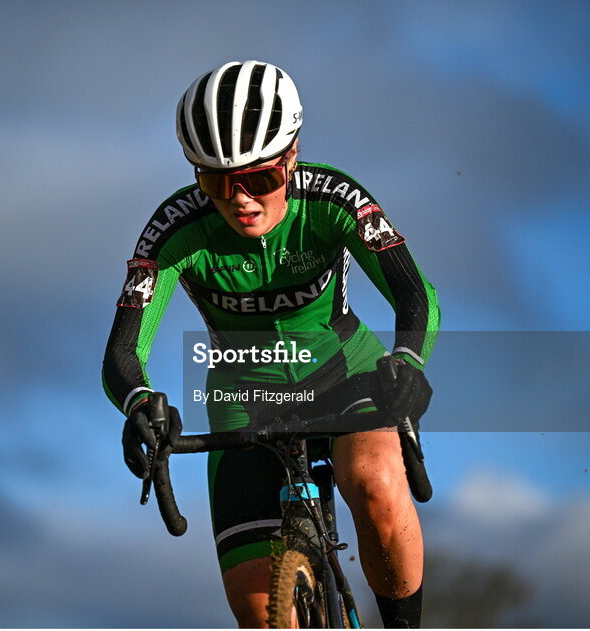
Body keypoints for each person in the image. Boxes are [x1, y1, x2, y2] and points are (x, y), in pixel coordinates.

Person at [103, 60, 439, 628]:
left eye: (259, 178)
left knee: (375, 484)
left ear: (291, 157)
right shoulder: (174, 230)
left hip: (344, 375)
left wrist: (406, 358)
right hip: (242, 393)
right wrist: (139, 401)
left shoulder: (333, 198)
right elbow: (122, 350)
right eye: (215, 182)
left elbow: (414, 294)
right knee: (262, 613)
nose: (240, 200)